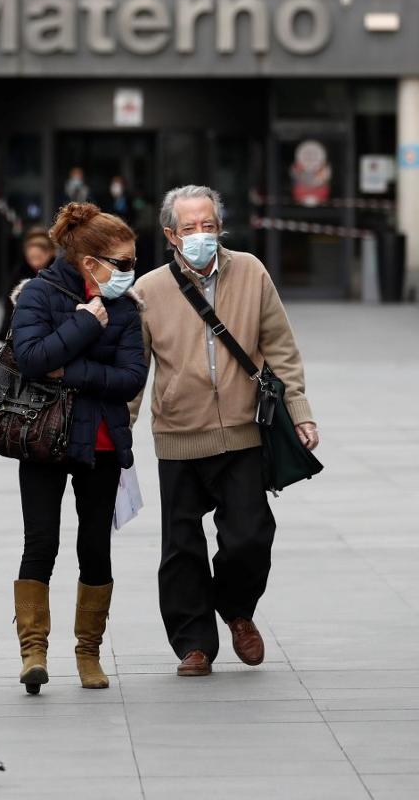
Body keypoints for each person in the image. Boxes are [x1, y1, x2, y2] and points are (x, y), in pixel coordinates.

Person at [129, 185, 318, 678]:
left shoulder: (252, 272)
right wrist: (118, 432)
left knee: (250, 536)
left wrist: (300, 411)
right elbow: (134, 368)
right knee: (181, 546)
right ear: (171, 234)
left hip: (243, 430)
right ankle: (193, 644)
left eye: (208, 225)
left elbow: (280, 347)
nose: (200, 235)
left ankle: (236, 610)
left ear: (220, 227)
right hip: (178, 433)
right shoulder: (148, 289)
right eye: (189, 227)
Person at [9, 202, 148, 693]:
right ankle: (33, 651)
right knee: (40, 541)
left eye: (133, 261)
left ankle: (89, 651)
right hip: (42, 436)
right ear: (90, 262)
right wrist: (86, 325)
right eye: (123, 262)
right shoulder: (38, 294)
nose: (131, 271)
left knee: (94, 545)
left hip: (102, 441)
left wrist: (68, 370)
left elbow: (132, 377)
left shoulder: (126, 307)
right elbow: (30, 359)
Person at [0, 227, 54, 342]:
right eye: (31, 258)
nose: (35, 262)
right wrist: (3, 333)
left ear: (50, 253)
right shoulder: (20, 272)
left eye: (39, 257)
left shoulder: (58, 272)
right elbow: (9, 305)